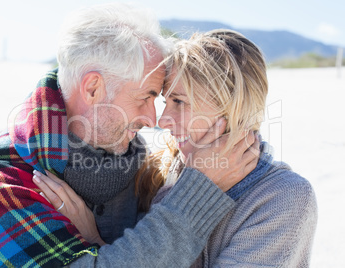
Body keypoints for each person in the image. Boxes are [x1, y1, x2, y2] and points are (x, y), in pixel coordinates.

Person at [0, 4, 259, 267]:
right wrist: (198, 192)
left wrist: (96, 241)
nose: (153, 119)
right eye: (145, 97)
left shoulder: (140, 170)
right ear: (93, 88)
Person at [36, 29, 317, 267]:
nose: (163, 120)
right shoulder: (163, 170)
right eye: (165, 101)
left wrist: (96, 242)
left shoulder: (281, 197)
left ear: (232, 107)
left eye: (180, 102)